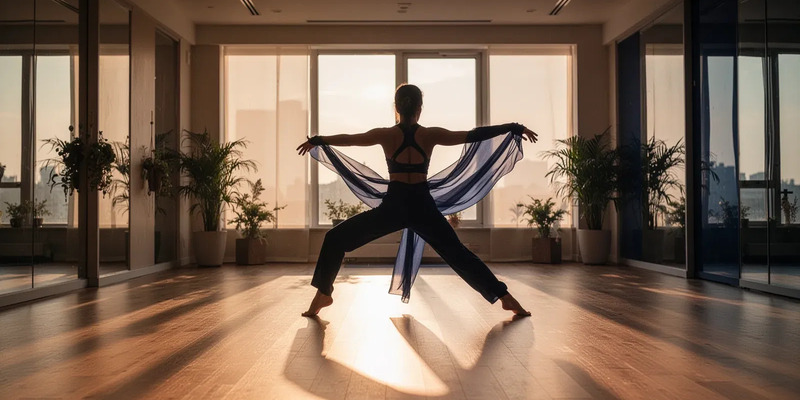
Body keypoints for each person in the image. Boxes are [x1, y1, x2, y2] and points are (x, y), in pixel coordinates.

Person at [297, 84, 537, 318]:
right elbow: (473, 135)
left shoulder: (386, 134)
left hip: (394, 206)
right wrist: (513, 128)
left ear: (396, 108)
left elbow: (350, 139)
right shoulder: (429, 134)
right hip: (422, 206)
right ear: (420, 108)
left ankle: (323, 293)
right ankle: (506, 298)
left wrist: (318, 140)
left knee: (335, 238)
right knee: (459, 255)